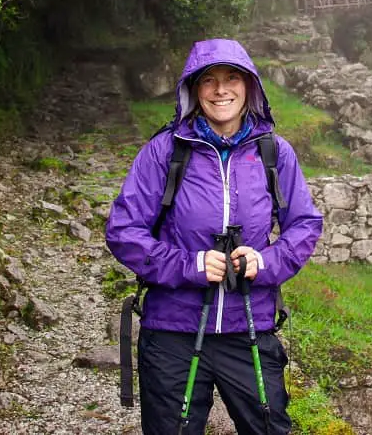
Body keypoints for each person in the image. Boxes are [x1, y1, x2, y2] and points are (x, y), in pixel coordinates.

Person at [106, 38, 323, 435]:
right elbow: (123, 230)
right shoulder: (165, 152)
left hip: (250, 330)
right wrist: (188, 265)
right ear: (193, 89)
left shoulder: (275, 153)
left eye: (232, 78)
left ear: (250, 86)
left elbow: (305, 223)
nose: (221, 89)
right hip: (173, 331)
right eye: (209, 80)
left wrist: (267, 261)